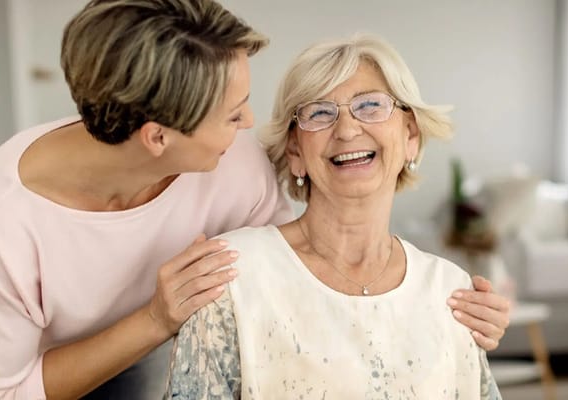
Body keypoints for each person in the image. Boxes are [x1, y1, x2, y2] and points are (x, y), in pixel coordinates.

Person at [0, 1, 511, 399]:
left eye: (372, 107)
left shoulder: (231, 165)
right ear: (159, 136)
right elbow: (11, 390)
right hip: (6, 376)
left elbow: (300, 267)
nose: (249, 124)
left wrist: (452, 314)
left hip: (147, 340)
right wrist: (157, 317)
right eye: (232, 112)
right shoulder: (4, 220)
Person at [167, 34, 504, 399]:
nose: (346, 130)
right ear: (295, 149)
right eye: (320, 113)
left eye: (371, 106)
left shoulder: (450, 291)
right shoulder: (229, 274)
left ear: (410, 135)